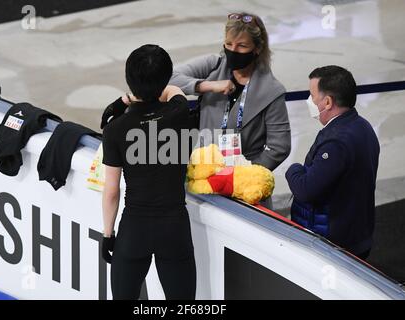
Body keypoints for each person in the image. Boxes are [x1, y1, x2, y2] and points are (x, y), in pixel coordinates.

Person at [100, 44, 196, 300]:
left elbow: (111, 191)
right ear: (165, 79)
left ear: (129, 80)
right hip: (174, 226)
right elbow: (175, 91)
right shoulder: (179, 113)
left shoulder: (115, 130)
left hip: (135, 227)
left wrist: (108, 235)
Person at [170, 12, 291, 171]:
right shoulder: (213, 65)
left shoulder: (272, 91)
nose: (233, 50)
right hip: (202, 173)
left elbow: (279, 147)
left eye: (242, 46)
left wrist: (245, 174)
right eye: (228, 44)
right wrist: (208, 85)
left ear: (257, 48)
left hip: (242, 183)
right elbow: (169, 77)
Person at [285, 65, 380, 260]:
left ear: (327, 102)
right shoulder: (362, 126)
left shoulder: (336, 142)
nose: (309, 101)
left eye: (312, 96)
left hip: (334, 246)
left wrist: (293, 169)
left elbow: (305, 189)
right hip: (356, 236)